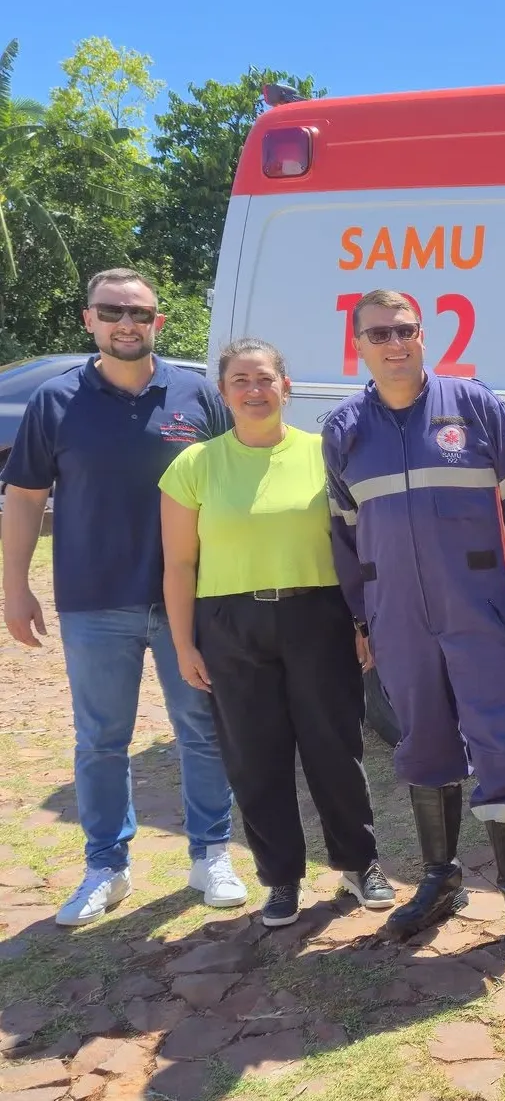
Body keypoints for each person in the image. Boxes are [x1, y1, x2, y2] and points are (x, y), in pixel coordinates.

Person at [321, 289, 505, 957]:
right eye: (379, 333)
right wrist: (360, 618)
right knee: (423, 745)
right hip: (398, 617)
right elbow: (345, 538)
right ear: (359, 344)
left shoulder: (474, 405)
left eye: (404, 329)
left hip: (478, 608)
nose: (394, 342)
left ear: (424, 335)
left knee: (499, 741)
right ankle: (439, 877)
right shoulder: (344, 428)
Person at [0, 267, 247, 926]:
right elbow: (24, 498)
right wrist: (14, 585)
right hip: (93, 600)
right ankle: (106, 866)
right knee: (100, 741)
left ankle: (210, 853)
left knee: (201, 729)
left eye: (139, 312)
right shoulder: (56, 401)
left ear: (157, 321)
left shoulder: (197, 395)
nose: (126, 322)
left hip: (190, 602)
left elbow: (233, 489)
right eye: (112, 311)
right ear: (89, 319)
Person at [159, 338, 397, 928]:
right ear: (224, 393)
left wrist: (362, 622)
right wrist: (184, 644)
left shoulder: (325, 455)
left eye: (264, 378)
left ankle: (357, 862)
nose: (254, 390)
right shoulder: (194, 465)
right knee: (255, 756)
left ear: (286, 387)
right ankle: (281, 878)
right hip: (229, 624)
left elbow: (357, 547)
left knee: (334, 747)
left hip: (317, 614)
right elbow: (179, 565)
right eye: (240, 380)